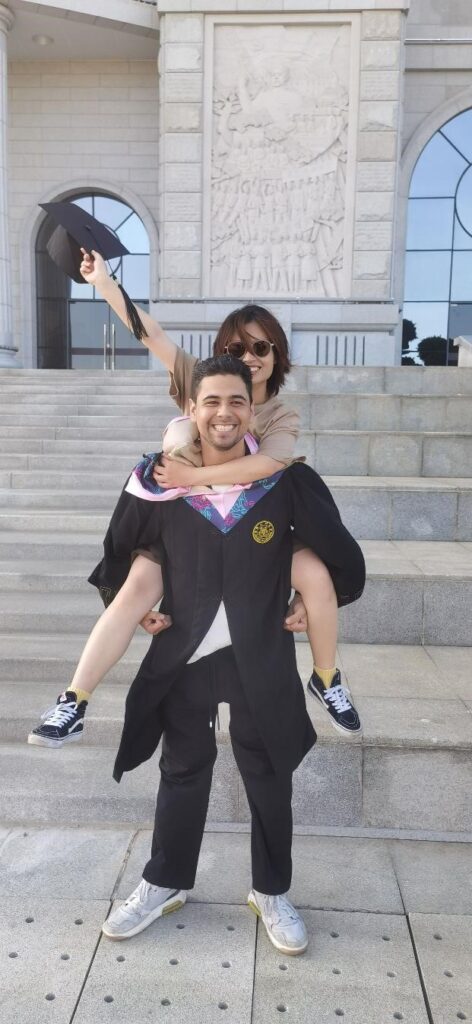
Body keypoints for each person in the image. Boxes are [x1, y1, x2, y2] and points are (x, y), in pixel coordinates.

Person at [27, 252, 361, 748]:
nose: (249, 356)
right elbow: (151, 334)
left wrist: (189, 473)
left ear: (277, 353)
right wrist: (103, 282)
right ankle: (74, 700)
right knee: (136, 586)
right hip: (187, 530)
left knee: (313, 573)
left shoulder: (280, 415)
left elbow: (268, 466)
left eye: (261, 346)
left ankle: (327, 677)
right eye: (236, 346)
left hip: (256, 533)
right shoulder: (200, 381)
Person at [92, 355, 365, 951]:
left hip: (257, 650)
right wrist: (128, 600)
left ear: (252, 409)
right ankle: (164, 882)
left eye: (236, 402)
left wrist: (315, 597)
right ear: (191, 410)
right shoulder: (164, 477)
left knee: (268, 772)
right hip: (187, 651)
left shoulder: (282, 478)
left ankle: (271, 889)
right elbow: (125, 540)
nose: (223, 412)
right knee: (182, 767)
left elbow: (329, 542)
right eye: (210, 401)